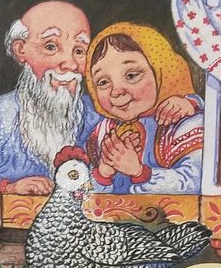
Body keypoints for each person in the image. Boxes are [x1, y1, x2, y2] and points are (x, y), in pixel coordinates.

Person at [84, 23, 204, 195]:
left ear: (161, 70)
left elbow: (195, 182)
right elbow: (82, 193)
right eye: (103, 82)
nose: (116, 91)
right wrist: (103, 173)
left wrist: (140, 173)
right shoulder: (104, 131)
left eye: (131, 75)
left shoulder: (182, 122)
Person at [0, 0, 100, 194]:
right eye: (51, 46)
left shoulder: (96, 118)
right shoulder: (0, 114)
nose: (70, 64)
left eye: (79, 51)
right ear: (21, 50)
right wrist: (9, 188)